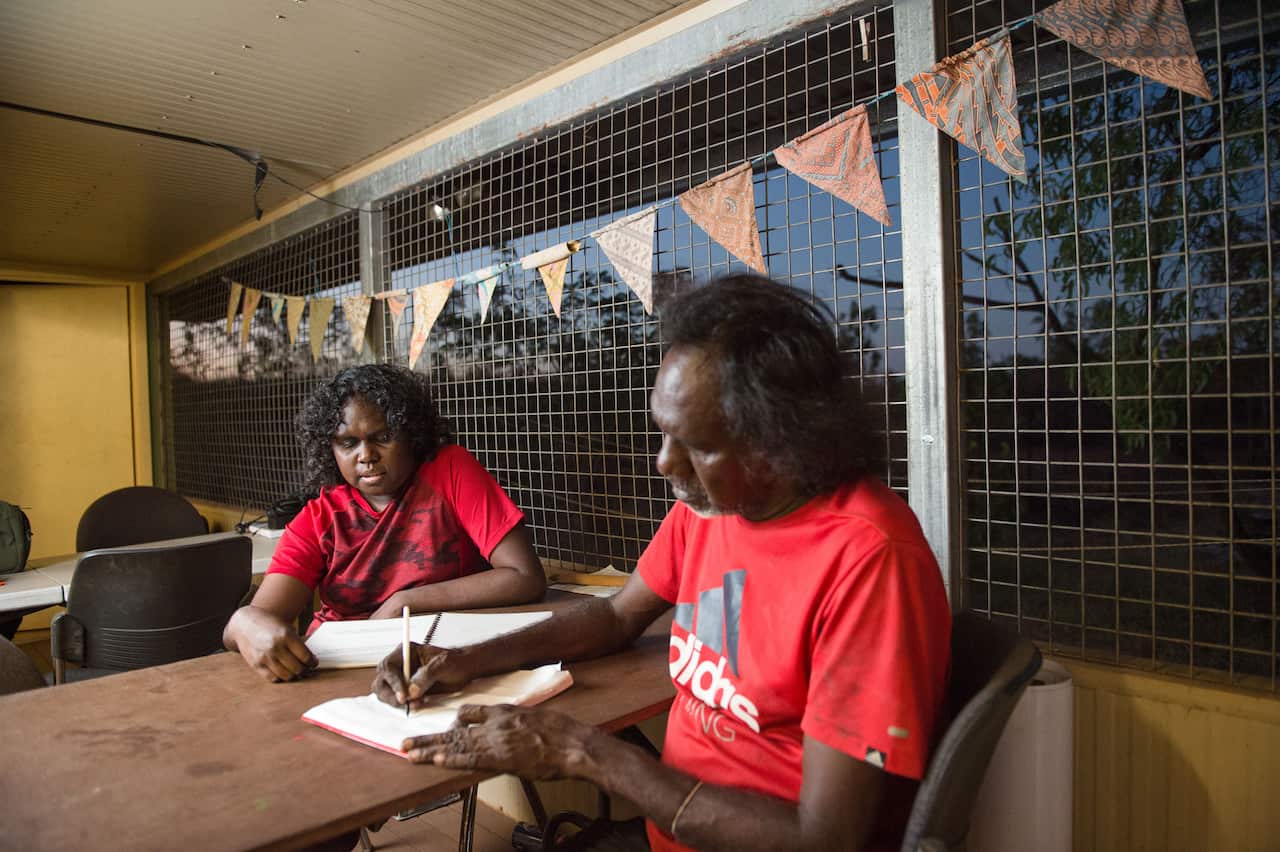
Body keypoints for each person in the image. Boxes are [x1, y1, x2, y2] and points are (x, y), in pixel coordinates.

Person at [373, 274, 952, 852]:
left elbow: (826, 838)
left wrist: (585, 752)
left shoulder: (870, 561)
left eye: (696, 446)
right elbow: (617, 617)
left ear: (781, 442)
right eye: (663, 433)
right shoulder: (717, 506)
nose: (663, 462)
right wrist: (465, 660)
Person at [224, 363, 545, 683]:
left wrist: (404, 602)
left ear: (412, 434)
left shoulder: (449, 470)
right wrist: (243, 622)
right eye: (348, 443)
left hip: (437, 662)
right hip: (335, 670)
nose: (366, 455)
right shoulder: (319, 519)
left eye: (383, 437)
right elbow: (256, 623)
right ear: (329, 448)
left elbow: (523, 576)